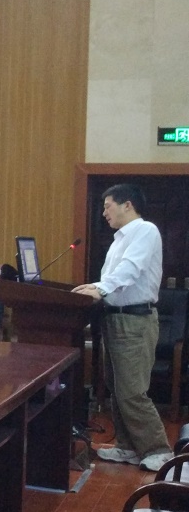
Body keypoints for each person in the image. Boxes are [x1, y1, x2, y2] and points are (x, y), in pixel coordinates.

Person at [75, 183, 172, 472]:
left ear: (127, 204)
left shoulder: (145, 230)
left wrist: (100, 288)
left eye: (108, 206)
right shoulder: (119, 239)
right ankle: (128, 447)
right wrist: (96, 287)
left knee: (132, 391)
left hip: (135, 320)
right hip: (115, 319)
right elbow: (116, 276)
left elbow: (130, 269)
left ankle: (159, 450)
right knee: (117, 389)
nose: (104, 212)